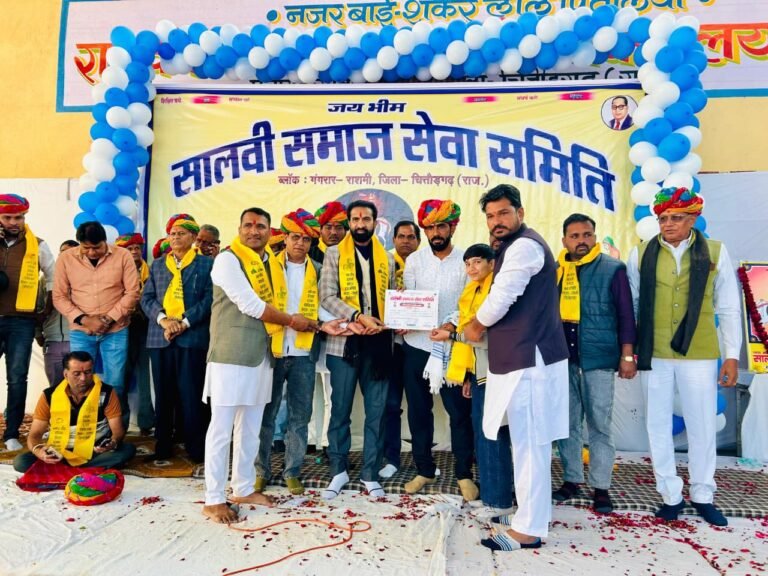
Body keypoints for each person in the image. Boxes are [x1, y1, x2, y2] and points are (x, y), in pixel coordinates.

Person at [463, 184, 569, 551]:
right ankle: (530, 514)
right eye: (491, 216)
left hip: (530, 359)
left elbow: (503, 296)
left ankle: (529, 530)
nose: (496, 221)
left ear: (520, 213)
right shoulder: (514, 246)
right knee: (525, 441)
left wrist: (475, 325)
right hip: (520, 357)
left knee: (531, 443)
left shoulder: (524, 246)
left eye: (504, 213)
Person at [627, 187, 741, 527]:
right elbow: (633, 306)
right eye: (663, 218)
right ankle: (670, 495)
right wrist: (630, 351)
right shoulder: (641, 253)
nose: (668, 224)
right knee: (657, 424)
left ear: (693, 219)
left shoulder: (716, 252)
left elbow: (728, 306)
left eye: (677, 217)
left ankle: (703, 494)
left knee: (702, 423)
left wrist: (731, 355)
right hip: (655, 352)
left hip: (700, 352)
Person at [202, 207, 317, 524]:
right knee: (221, 429)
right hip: (231, 355)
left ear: (270, 231)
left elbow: (287, 300)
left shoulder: (269, 263)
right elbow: (250, 304)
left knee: (251, 427)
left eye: (261, 226)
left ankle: (242, 487)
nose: (254, 231)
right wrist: (293, 321)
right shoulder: (228, 260)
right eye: (249, 225)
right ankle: (213, 498)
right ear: (239, 228)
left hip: (265, 355)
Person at [255, 209, 345, 496]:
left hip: (304, 352)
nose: (300, 244)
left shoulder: (318, 269)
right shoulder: (268, 266)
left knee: (300, 415)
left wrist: (327, 323)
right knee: (266, 414)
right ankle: (261, 471)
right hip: (272, 349)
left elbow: (322, 305)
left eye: (306, 239)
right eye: (295, 237)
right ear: (285, 238)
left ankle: (292, 471)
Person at [552, 214, 637, 514]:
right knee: (567, 424)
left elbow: (626, 314)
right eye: (574, 236)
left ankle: (601, 486)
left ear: (595, 236)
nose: (581, 241)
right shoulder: (556, 271)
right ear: (564, 240)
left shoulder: (613, 268)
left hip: (598, 358)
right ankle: (572, 479)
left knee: (600, 425)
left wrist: (627, 355)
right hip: (562, 359)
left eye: (587, 235)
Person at [401, 199, 478, 501]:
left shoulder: (466, 260)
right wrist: (403, 319)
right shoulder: (414, 261)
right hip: (417, 345)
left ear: (452, 227)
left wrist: (450, 324)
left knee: (459, 413)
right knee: (419, 412)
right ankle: (424, 469)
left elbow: (470, 301)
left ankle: (463, 473)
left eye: (441, 226)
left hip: (453, 347)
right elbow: (408, 298)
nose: (435, 232)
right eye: (430, 227)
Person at [430, 243, 515, 516]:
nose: (472, 268)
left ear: (492, 263)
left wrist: (451, 335)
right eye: (467, 264)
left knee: (494, 435)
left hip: (498, 372)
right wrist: (468, 376)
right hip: (479, 372)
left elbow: (485, 336)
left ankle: (500, 501)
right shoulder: (474, 290)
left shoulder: (496, 292)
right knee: (483, 434)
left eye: (477, 262)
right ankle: (491, 496)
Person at [319, 199, 395, 499]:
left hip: (379, 343)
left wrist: (389, 319)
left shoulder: (387, 258)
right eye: (355, 219)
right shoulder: (334, 253)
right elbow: (327, 296)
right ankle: (338, 470)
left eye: (366, 219)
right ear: (349, 223)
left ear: (375, 222)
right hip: (344, 343)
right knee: (340, 410)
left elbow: (392, 299)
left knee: (376, 412)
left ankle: (369, 473)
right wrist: (357, 317)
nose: (360, 224)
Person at [53, 221, 140, 429]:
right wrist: (85, 319)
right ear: (80, 244)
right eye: (86, 248)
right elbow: (59, 296)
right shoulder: (66, 258)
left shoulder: (122, 255)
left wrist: (108, 319)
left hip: (116, 329)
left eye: (97, 247)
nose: (92, 252)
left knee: (115, 382)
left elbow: (132, 292)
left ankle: (116, 432)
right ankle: (83, 429)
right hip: (81, 331)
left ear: (105, 241)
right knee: (79, 380)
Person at [141, 214, 213, 462]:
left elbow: (209, 299)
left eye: (181, 233)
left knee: (192, 395)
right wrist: (164, 320)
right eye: (172, 233)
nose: (175, 237)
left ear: (193, 237)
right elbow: (146, 298)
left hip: (192, 337)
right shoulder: (158, 265)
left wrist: (184, 323)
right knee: (163, 395)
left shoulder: (206, 265)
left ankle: (196, 448)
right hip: (160, 337)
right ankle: (163, 446)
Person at [13, 351, 136, 472]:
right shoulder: (49, 395)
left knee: (127, 450)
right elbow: (35, 434)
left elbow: (118, 431)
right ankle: (87, 468)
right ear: (65, 374)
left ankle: (65, 469)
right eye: (77, 374)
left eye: (88, 372)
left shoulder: (106, 392)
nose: (83, 378)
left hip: (94, 450)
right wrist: (39, 451)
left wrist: (112, 443)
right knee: (21, 462)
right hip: (60, 451)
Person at [0, 194, 56, 451]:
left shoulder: (38, 245)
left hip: (21, 322)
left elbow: (53, 278)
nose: (14, 222)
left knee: (17, 378)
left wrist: (46, 309)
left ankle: (11, 433)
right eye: (8, 217)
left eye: (19, 217)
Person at [308, 201, 349, 457]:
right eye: (328, 227)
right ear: (320, 230)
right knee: (308, 393)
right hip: (309, 333)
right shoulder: (308, 256)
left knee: (332, 394)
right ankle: (311, 440)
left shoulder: (349, 256)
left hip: (340, 335)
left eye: (338, 227)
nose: (333, 232)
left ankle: (328, 444)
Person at [380, 220, 421, 479]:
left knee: (420, 406)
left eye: (411, 237)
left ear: (418, 241)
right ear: (393, 239)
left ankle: (422, 460)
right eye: (401, 236)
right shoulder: (383, 263)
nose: (406, 241)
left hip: (420, 344)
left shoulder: (426, 265)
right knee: (391, 404)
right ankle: (391, 458)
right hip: (391, 344)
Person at [115, 232, 154, 435]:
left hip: (147, 329)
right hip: (122, 328)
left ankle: (146, 423)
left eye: (137, 248)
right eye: (129, 249)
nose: (134, 252)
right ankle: (119, 424)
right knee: (121, 375)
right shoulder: (115, 272)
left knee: (146, 376)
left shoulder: (151, 270)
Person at [38, 240, 79, 387]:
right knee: (55, 388)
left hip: (78, 340)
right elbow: (37, 307)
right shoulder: (45, 280)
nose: (66, 256)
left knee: (79, 387)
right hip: (52, 341)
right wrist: (38, 334)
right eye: (62, 252)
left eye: (71, 252)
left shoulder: (85, 279)